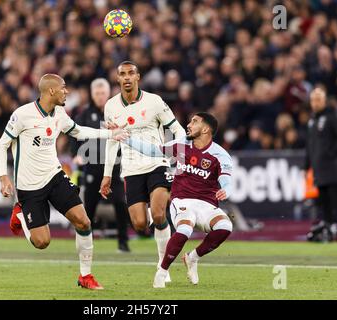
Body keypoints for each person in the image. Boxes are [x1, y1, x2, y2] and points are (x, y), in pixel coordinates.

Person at [0, 74, 129, 290]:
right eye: (63, 88)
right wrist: (3, 176)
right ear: (51, 91)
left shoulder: (59, 113)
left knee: (84, 221)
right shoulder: (22, 115)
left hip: (54, 176)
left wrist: (109, 134)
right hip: (29, 186)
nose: (67, 92)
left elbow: (77, 131)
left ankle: (86, 276)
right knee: (42, 242)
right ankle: (20, 211)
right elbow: (2, 145)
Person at [100, 61, 186, 284]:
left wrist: (179, 152)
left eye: (131, 73)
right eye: (122, 74)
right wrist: (107, 174)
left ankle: (163, 267)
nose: (127, 77)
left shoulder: (154, 101)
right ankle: (150, 223)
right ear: (117, 79)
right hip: (130, 169)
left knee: (159, 214)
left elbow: (176, 128)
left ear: (138, 77)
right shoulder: (110, 106)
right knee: (139, 224)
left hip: (157, 163)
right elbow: (111, 141)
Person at [124, 112, 233, 288]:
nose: (189, 124)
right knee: (184, 228)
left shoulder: (220, 155)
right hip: (182, 201)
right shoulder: (182, 144)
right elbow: (153, 150)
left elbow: (227, 181)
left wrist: (226, 190)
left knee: (226, 226)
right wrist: (126, 139)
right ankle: (162, 271)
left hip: (206, 204)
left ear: (206, 129)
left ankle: (192, 258)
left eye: (194, 122)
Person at [70, 78, 131, 253]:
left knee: (120, 203)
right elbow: (73, 133)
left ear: (108, 93)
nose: (100, 96)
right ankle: (83, 243)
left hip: (114, 166)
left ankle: (123, 242)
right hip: (93, 166)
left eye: (102, 93)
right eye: (97, 93)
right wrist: (75, 155)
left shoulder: (118, 113)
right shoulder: (84, 114)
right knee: (88, 207)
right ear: (92, 94)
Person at [305, 88, 337, 242]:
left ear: (324, 101)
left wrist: (332, 155)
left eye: (318, 99)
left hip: (331, 167)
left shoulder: (332, 116)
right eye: (313, 100)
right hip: (318, 169)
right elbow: (309, 145)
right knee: (323, 201)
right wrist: (307, 166)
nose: (315, 103)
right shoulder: (312, 120)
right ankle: (329, 227)